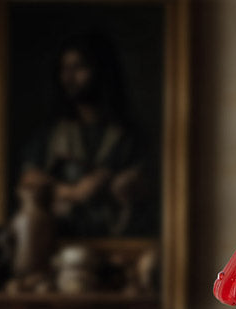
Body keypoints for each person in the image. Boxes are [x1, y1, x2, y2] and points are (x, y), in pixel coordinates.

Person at [18, 32, 150, 237]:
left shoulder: (125, 136)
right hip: (62, 236)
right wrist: (74, 192)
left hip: (116, 237)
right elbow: (29, 179)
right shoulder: (53, 132)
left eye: (79, 68)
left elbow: (142, 183)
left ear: (100, 71)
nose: (69, 77)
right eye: (65, 69)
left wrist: (116, 184)